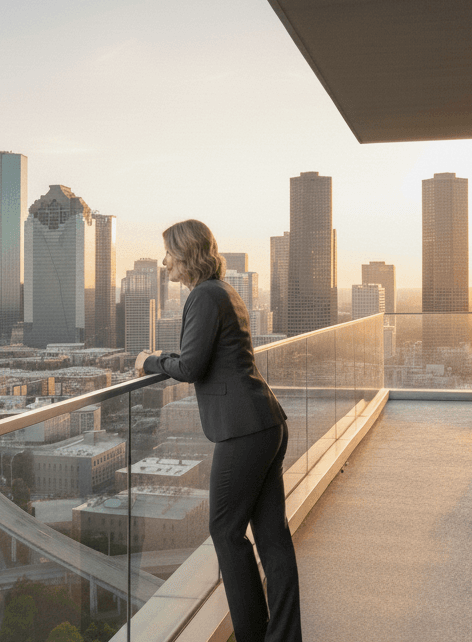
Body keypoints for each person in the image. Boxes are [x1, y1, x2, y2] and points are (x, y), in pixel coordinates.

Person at [135, 219, 302, 642]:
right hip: (265, 422)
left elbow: (191, 367)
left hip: (243, 431)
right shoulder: (224, 291)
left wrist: (150, 361)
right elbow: (203, 354)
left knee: (226, 532)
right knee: (272, 538)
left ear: (187, 254)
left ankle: (252, 634)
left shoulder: (204, 296)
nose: (165, 261)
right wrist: (166, 356)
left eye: (170, 253)